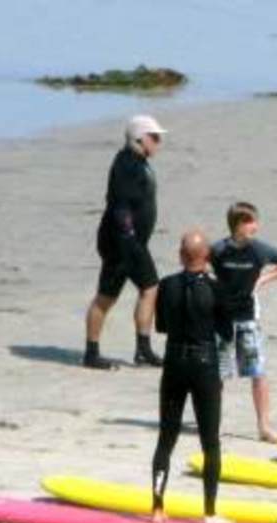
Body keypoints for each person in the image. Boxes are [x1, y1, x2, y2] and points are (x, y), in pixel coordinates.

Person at [151, 230, 233, 523]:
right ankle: (209, 512)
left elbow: (161, 326)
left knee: (166, 437)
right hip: (203, 364)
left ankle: (157, 508)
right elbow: (226, 332)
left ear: (181, 255)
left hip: (174, 361)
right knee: (210, 441)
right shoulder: (215, 287)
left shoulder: (166, 285)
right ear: (206, 256)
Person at [84, 115, 168, 370]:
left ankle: (141, 349)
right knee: (112, 295)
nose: (159, 142)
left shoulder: (137, 161)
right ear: (140, 139)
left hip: (131, 243)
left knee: (142, 289)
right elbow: (120, 207)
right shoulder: (127, 165)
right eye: (155, 137)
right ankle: (94, 353)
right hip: (122, 244)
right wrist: (129, 239)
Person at [210, 202, 277, 444]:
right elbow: (200, 262)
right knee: (217, 376)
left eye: (255, 222)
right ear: (237, 225)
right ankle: (212, 424)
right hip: (222, 320)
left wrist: (264, 279)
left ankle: (264, 426)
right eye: (249, 222)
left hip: (248, 319)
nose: (255, 227)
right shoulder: (218, 250)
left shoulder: (260, 250)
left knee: (258, 373)